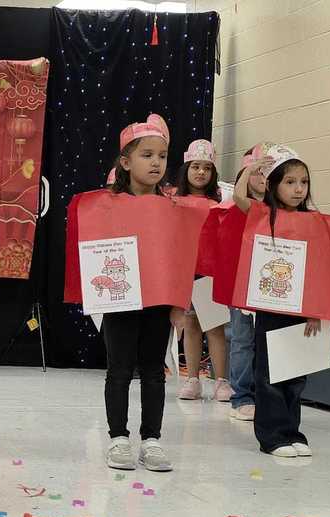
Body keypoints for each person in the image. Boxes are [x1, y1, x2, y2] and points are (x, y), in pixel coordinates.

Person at [76, 114, 188, 472]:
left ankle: (151, 439)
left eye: (162, 156)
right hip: (120, 300)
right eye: (147, 155)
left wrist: (179, 303)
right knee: (120, 369)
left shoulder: (173, 207)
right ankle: (118, 438)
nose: (156, 163)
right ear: (125, 162)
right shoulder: (106, 205)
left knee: (154, 371)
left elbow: (180, 256)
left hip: (159, 302)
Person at [233, 145, 320, 458]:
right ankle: (271, 437)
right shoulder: (263, 214)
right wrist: (252, 168)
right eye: (290, 182)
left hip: (302, 310)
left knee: (296, 375)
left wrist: (316, 310)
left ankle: (292, 432)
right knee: (270, 374)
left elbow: (320, 268)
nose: (298, 189)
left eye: (304, 182)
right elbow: (239, 197)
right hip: (271, 309)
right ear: (273, 185)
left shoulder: (313, 221)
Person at [174, 140, 231, 402]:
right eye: (195, 166)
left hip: (211, 272)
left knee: (215, 327)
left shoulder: (221, 201)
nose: (201, 172)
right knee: (191, 325)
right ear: (186, 169)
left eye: (207, 168)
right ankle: (193, 379)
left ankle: (221, 381)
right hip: (186, 272)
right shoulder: (174, 200)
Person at [226, 143, 273, 421]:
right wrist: (249, 169)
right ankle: (241, 396)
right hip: (243, 281)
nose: (261, 177)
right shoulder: (245, 205)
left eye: (267, 171)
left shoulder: (277, 208)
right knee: (243, 339)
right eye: (257, 171)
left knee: (265, 339)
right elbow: (238, 195)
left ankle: (264, 395)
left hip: (270, 283)